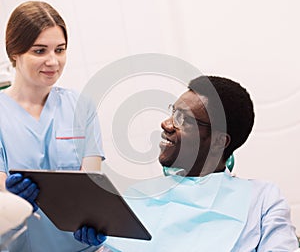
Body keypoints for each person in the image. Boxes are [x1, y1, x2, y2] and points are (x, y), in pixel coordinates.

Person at [74, 76, 299, 251]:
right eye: (173, 112)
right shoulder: (140, 197)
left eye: (183, 119)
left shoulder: (261, 199)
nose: (166, 124)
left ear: (219, 141)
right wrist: (96, 243)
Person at [0, 1, 105, 252]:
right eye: (39, 51)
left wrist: (100, 221)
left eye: (60, 50)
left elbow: (91, 186)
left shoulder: (81, 106)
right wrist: (11, 197)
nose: (53, 61)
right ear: (15, 53)